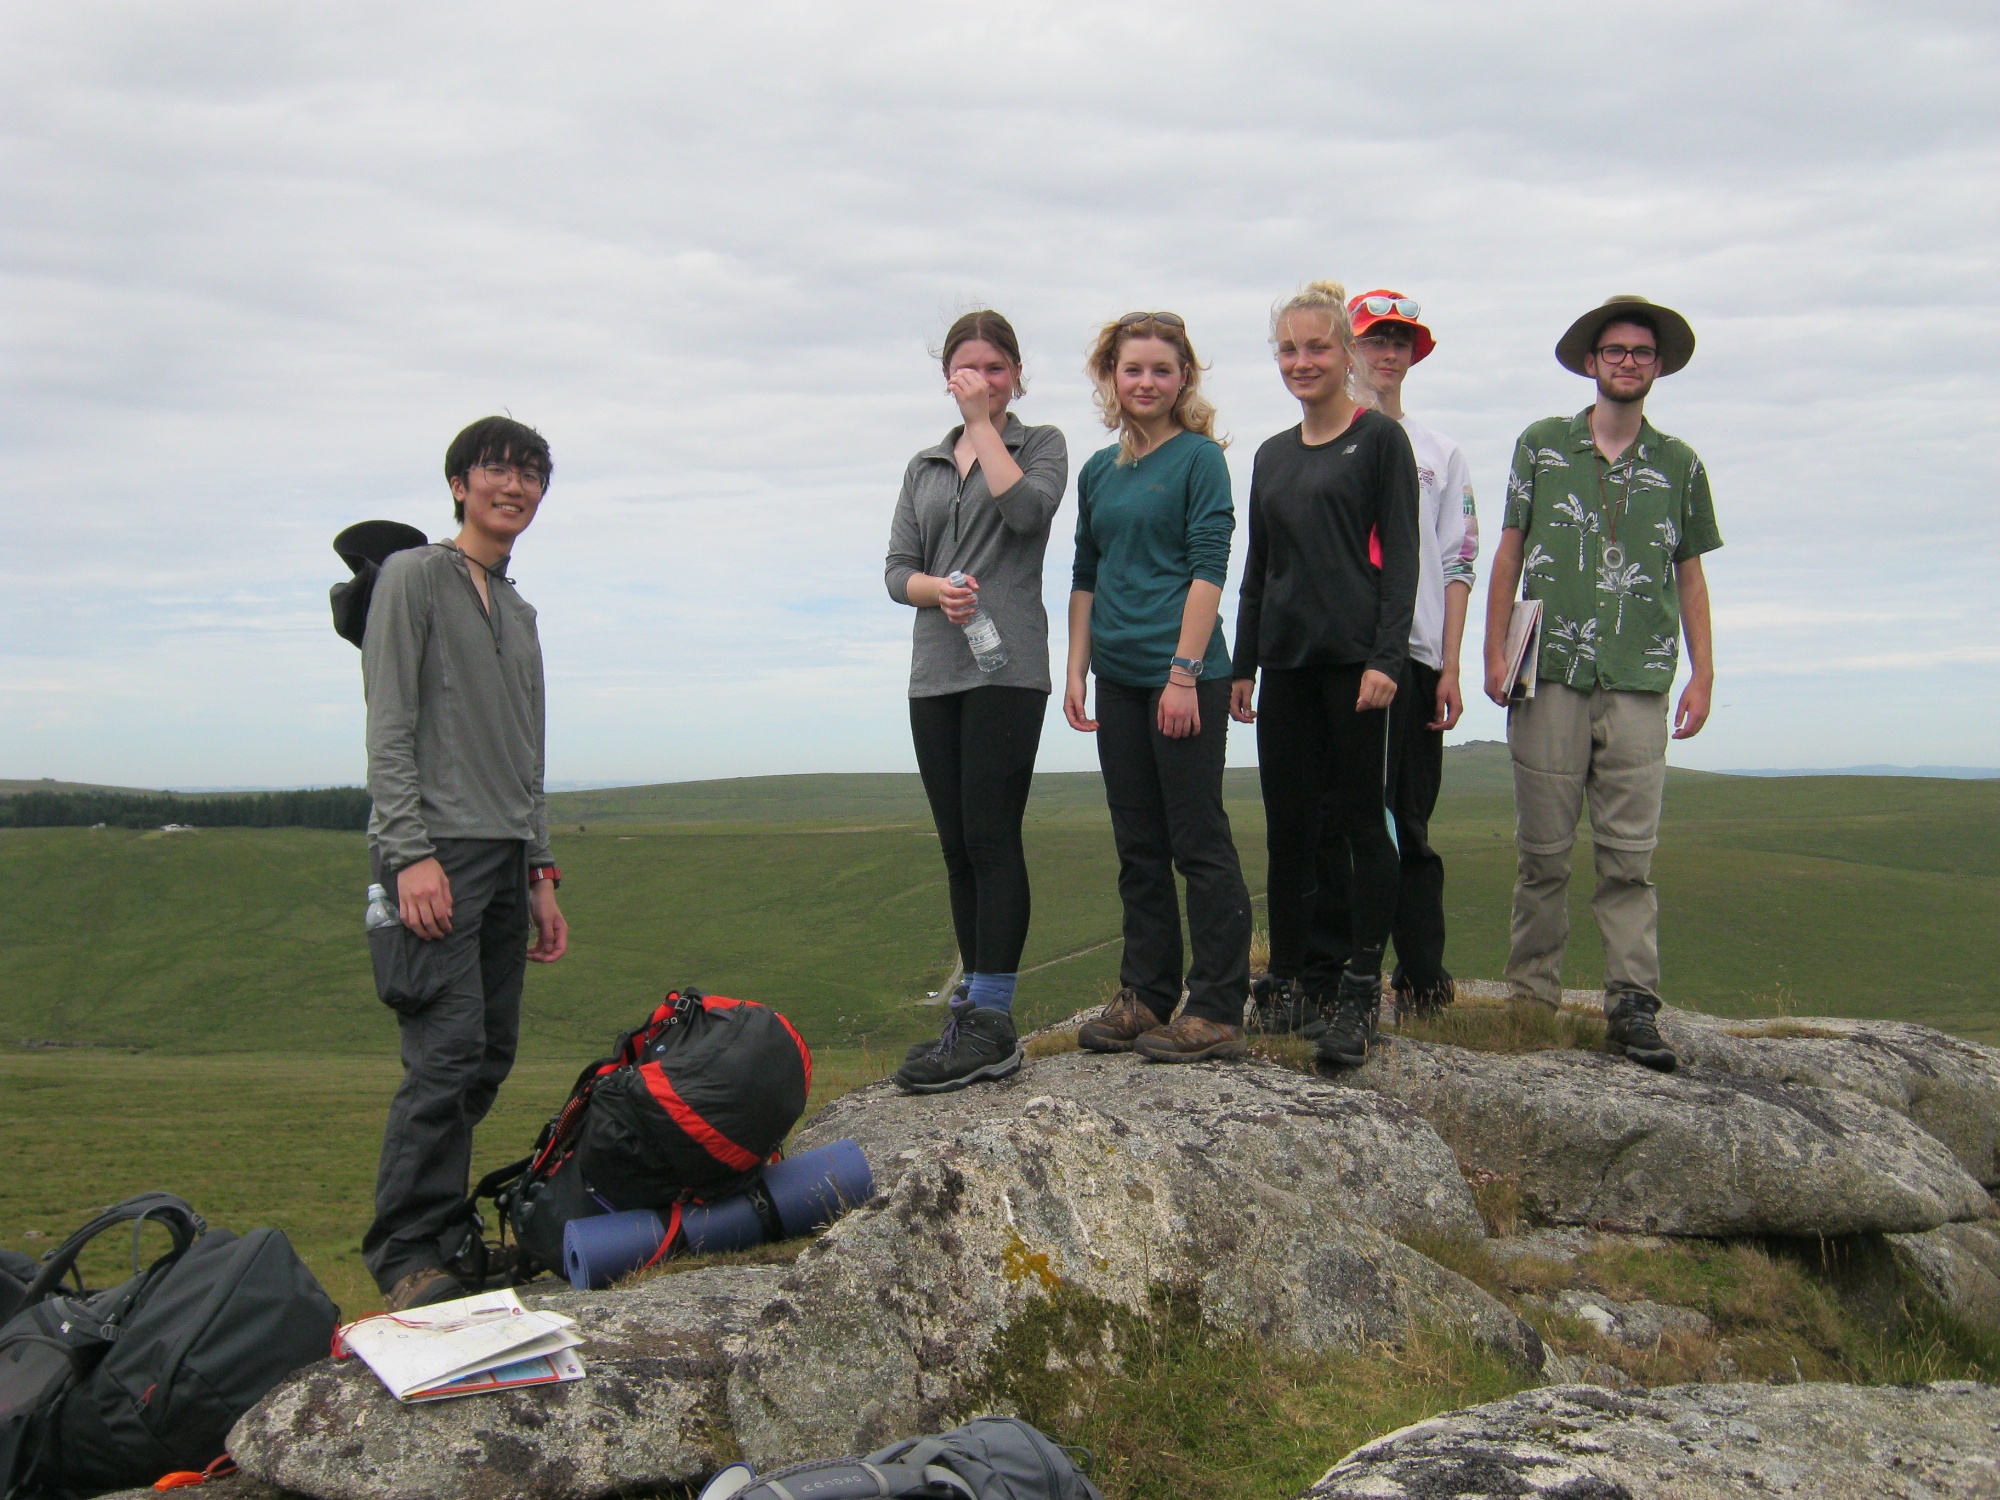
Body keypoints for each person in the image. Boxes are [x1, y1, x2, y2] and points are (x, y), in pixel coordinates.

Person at [361, 415, 569, 1310]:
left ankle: (448, 1240)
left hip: (505, 856)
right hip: (435, 851)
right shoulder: (413, 576)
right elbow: (389, 724)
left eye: (530, 474)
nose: (513, 487)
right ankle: (407, 1255)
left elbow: (528, 749)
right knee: (443, 1057)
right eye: (496, 470)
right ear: (459, 484)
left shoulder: (519, 611)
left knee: (487, 1054)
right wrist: (408, 854)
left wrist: (541, 871)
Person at [1481, 295, 1721, 1072]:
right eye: (1615, 350)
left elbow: (1689, 574)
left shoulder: (1680, 464)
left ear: (1658, 366)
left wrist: (1703, 673)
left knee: (1629, 858)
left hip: (1640, 677)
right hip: (1548, 669)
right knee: (1542, 852)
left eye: (1641, 352)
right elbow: (1509, 550)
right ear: (1591, 361)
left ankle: (1632, 1006)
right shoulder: (1542, 446)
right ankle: (1530, 1002)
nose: (1627, 362)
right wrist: (1493, 651)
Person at [1228, 281, 1420, 1069]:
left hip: (1354, 665)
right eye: (1288, 349)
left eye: (1317, 347)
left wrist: (1386, 658)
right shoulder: (1271, 455)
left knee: (1360, 824)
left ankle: (1358, 990)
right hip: (1287, 665)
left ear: (1346, 355)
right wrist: (1242, 664)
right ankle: (1293, 982)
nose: (1302, 362)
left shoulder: (1379, 441)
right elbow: (1259, 567)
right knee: (1289, 829)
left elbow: (1403, 556)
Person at [1282, 291, 1478, 1028]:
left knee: (1409, 818)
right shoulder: (1317, 446)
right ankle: (1334, 974)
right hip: (1337, 654)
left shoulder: (1439, 453)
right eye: (1373, 340)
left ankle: (1421, 976)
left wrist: (1449, 664)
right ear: (1348, 349)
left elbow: (1458, 560)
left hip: (1414, 651)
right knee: (1334, 817)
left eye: (1401, 342)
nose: (1386, 354)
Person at [885, 311, 1069, 1093]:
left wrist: (983, 425)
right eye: (970, 369)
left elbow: (1026, 513)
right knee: (957, 845)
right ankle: (969, 1017)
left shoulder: (1041, 445)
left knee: (993, 837)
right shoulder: (925, 465)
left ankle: (993, 1018)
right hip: (936, 672)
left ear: (1016, 377)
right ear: (947, 376)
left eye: (997, 369)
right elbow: (897, 570)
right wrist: (937, 590)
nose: (984, 381)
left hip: (1008, 671)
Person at [1067, 311, 1253, 1063]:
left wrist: (1183, 673)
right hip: (1117, 675)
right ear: (1111, 377)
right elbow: (1086, 572)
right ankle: (1146, 994)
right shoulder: (1097, 471)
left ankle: (1216, 1006)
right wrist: (1076, 667)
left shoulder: (1200, 459)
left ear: (1184, 380)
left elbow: (1210, 567)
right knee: (1137, 841)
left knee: (1196, 838)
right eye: (1132, 368)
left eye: (1161, 370)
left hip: (1185, 676)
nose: (1146, 382)